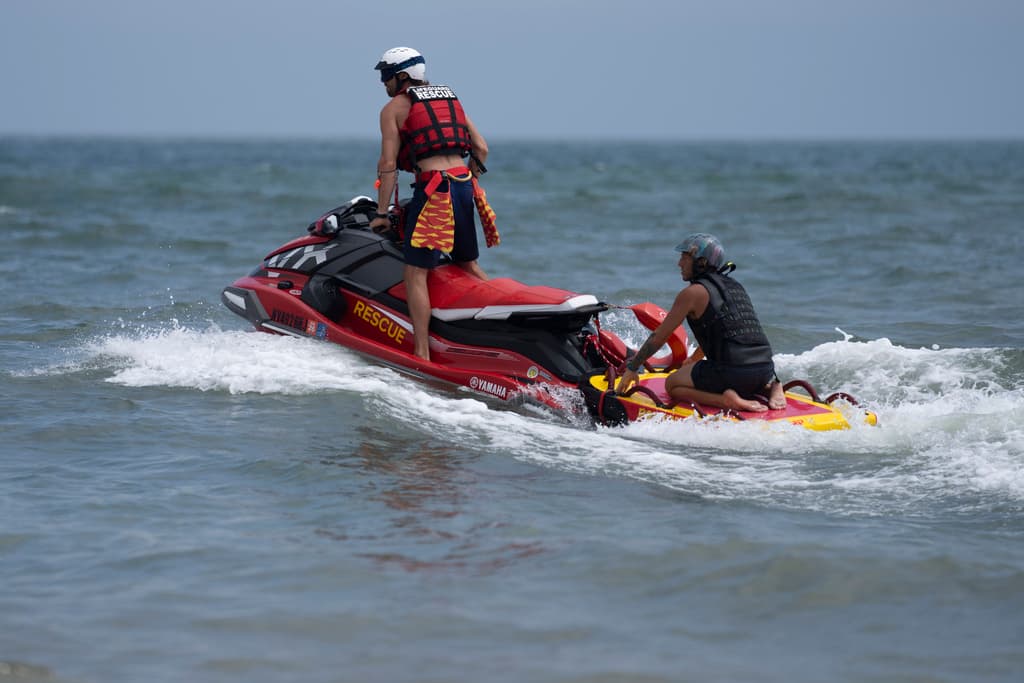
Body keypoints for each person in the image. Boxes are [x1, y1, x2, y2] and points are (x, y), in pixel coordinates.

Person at [367, 47, 497, 362]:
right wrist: (469, 177)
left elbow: (387, 165)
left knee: (415, 273)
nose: (383, 83)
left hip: (435, 192)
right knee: (468, 264)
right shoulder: (450, 99)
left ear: (401, 76)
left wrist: (381, 214)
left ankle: (422, 354)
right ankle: (503, 316)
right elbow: (481, 149)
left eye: (386, 76)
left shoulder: (393, 109)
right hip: (465, 187)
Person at [616, 233, 786, 412]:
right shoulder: (734, 286)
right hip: (764, 370)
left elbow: (659, 337)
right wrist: (694, 359)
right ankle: (771, 388)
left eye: (684, 257)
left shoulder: (693, 293)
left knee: (672, 384)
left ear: (701, 262)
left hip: (733, 373)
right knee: (739, 375)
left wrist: (633, 367)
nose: (679, 263)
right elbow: (727, 330)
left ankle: (726, 400)